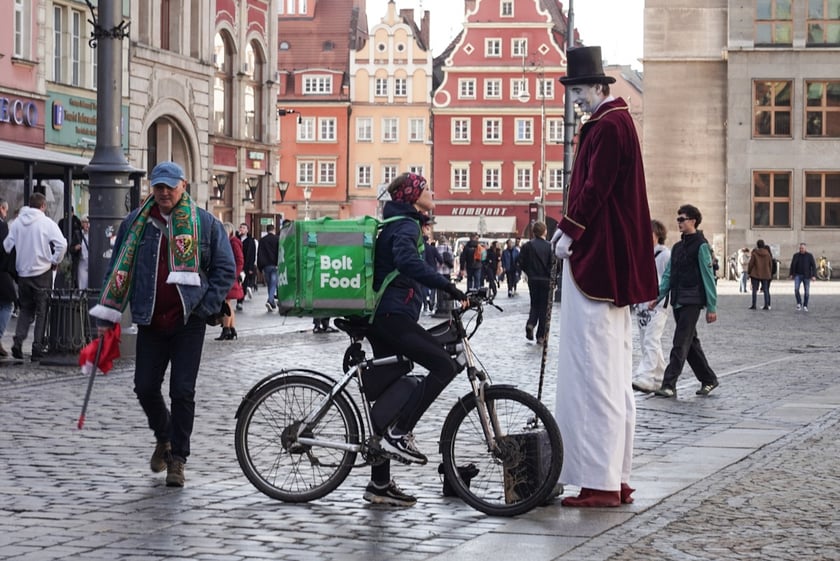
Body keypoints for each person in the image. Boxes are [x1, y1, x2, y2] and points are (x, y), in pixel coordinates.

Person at [551, 46, 658, 508]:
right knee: (612, 374)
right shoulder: (616, 123)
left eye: (578, 90)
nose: (575, 100)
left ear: (597, 87)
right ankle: (615, 474)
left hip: (597, 261)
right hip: (610, 264)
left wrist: (569, 231)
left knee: (592, 371)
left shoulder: (609, 126)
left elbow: (595, 186)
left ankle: (599, 481)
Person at [89, 161, 235, 487]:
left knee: (182, 391)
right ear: (151, 188)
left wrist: (204, 307)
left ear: (184, 185)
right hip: (150, 319)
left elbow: (226, 268)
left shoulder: (204, 224)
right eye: (159, 186)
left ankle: (177, 460)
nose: (164, 192)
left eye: (170, 186)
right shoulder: (136, 224)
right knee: (144, 386)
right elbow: (117, 271)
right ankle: (164, 436)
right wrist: (105, 316)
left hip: (188, 321)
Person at [363, 171, 466, 507]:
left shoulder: (400, 222)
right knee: (443, 364)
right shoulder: (405, 225)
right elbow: (408, 263)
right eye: (426, 188)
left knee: (391, 392)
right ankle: (399, 432)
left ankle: (379, 485)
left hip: (389, 315)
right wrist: (447, 285)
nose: (432, 191)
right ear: (412, 196)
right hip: (392, 315)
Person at [651, 205, 719, 399]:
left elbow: (708, 277)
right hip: (678, 300)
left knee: (680, 342)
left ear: (693, 221)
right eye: (678, 219)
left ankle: (669, 384)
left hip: (692, 300)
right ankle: (708, 379)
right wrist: (658, 297)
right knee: (690, 345)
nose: (679, 222)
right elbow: (669, 274)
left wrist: (711, 307)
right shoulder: (678, 247)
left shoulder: (701, 246)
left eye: (682, 219)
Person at [4, 192, 67, 361]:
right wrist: (54, 260)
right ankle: (37, 348)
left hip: (23, 273)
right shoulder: (46, 223)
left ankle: (17, 342)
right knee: (42, 311)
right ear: (43, 206)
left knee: (25, 309)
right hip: (42, 272)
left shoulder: (17, 223)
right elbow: (62, 243)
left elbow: (7, 245)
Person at [632, 219, 671, 393]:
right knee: (646, 340)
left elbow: (667, 279)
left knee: (651, 339)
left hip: (658, 304)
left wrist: (660, 296)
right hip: (642, 304)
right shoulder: (642, 255)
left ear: (657, 236)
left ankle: (646, 375)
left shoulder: (664, 255)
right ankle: (659, 376)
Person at [518, 222, 553, 345]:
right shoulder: (549, 246)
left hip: (533, 279)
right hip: (546, 279)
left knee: (534, 304)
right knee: (544, 307)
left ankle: (531, 323)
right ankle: (541, 336)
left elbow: (521, 262)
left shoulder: (527, 246)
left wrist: (529, 272)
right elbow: (554, 265)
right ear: (545, 231)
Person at [216, 222, 244, 341]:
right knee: (228, 303)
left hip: (230, 277)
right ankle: (231, 329)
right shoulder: (232, 241)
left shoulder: (233, 242)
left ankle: (226, 329)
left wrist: (234, 274)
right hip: (229, 276)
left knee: (226, 303)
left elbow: (239, 260)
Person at [0, 199, 16, 358]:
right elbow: (5, 248)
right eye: (5, 210)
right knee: (8, 304)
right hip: (1, 271)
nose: (6, 213)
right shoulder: (2, 225)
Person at [257, 224, 279, 311]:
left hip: (266, 265)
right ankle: (270, 300)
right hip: (275, 265)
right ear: (274, 229)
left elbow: (259, 254)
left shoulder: (262, 240)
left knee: (270, 283)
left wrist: (260, 267)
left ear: (267, 230)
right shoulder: (277, 239)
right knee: (273, 283)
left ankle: (272, 301)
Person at [789, 242, 817, 311]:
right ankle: (799, 303)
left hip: (806, 276)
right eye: (800, 248)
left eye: (803, 248)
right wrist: (791, 274)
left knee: (807, 292)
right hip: (797, 275)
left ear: (805, 248)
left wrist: (813, 275)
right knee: (796, 289)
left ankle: (805, 305)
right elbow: (792, 265)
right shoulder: (796, 255)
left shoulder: (809, 256)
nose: (801, 249)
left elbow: (813, 266)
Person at [747, 239, 773, 310]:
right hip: (765, 273)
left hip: (755, 273)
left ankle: (754, 304)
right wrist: (769, 272)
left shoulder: (755, 253)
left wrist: (749, 272)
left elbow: (751, 264)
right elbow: (770, 264)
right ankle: (766, 305)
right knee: (766, 290)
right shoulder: (767, 254)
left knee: (754, 290)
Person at [236, 222, 257, 310]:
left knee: (244, 282)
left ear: (247, 230)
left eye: (244, 228)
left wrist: (251, 267)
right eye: (241, 228)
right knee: (237, 282)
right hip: (236, 264)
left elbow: (252, 254)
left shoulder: (250, 241)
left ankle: (240, 300)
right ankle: (238, 298)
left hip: (246, 265)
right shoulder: (236, 239)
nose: (242, 229)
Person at [75, 216, 90, 290]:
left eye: (88, 222)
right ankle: (82, 297)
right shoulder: (78, 234)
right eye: (85, 222)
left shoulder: (94, 234)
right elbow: (71, 248)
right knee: (82, 282)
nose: (87, 225)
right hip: (82, 260)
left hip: (91, 261)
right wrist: (75, 248)